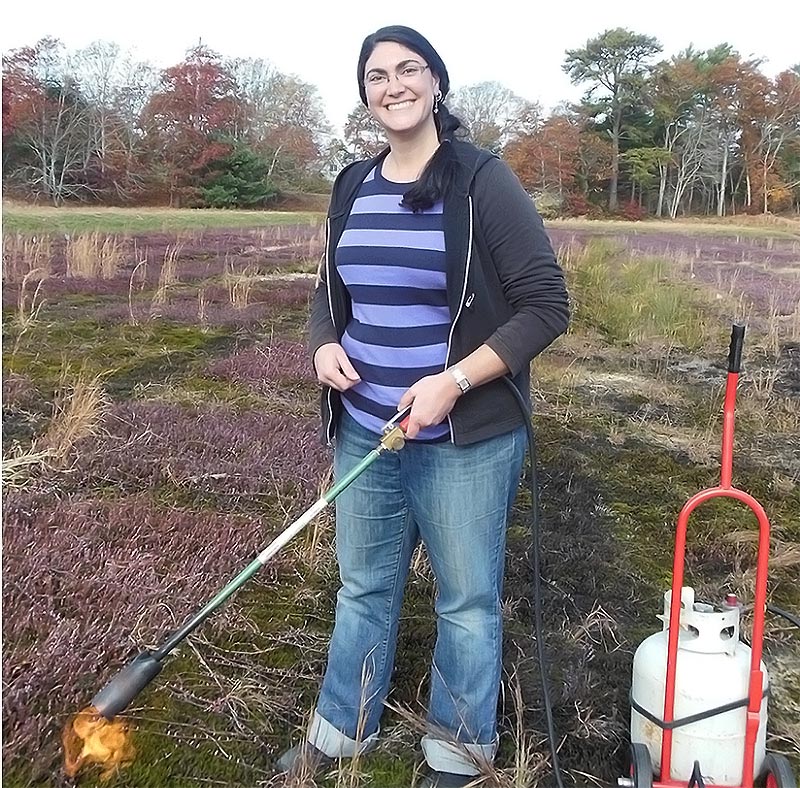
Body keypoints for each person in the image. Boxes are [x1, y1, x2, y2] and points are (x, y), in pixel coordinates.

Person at [277, 24, 569, 788]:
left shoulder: (481, 180)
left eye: (409, 70)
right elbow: (327, 293)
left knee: (467, 602)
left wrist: (454, 382)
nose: (393, 84)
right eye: (377, 74)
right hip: (365, 433)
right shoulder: (351, 183)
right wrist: (321, 347)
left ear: (436, 82)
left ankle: (459, 751)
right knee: (363, 589)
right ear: (364, 92)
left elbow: (544, 306)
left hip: (465, 439)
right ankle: (342, 731)